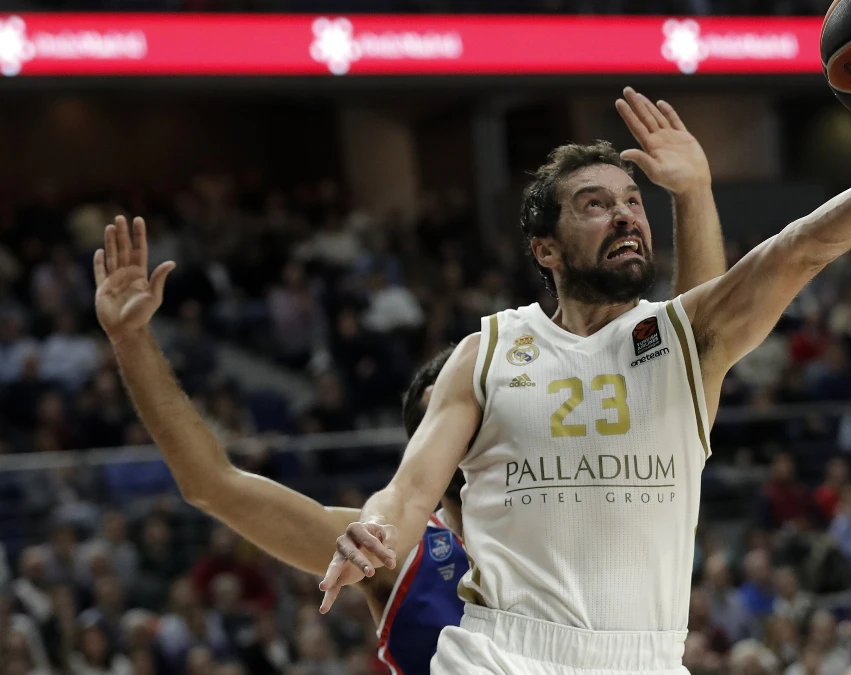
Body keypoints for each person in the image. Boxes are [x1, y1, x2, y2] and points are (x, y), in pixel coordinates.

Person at [320, 50, 851, 675]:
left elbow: (802, 246)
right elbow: (410, 491)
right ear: (546, 249)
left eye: (631, 202)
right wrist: (376, 528)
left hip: (645, 656)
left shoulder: (679, 340)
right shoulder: (487, 351)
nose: (623, 216)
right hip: (504, 650)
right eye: (594, 205)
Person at [92, 95, 727, 675]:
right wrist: (132, 343)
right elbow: (214, 484)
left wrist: (694, 193)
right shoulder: (397, 550)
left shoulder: (590, 500)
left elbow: (696, 338)